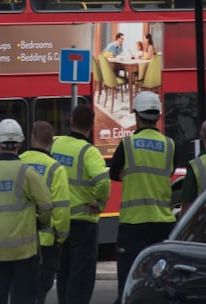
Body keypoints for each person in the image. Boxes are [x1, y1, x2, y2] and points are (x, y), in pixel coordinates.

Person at [108, 91, 176, 304]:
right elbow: (169, 172)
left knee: (129, 280)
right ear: (158, 116)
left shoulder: (128, 145)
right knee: (159, 280)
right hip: (163, 223)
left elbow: (113, 173)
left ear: (137, 116)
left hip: (134, 224)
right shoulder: (169, 145)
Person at [0, 118, 53, 304]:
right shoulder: (27, 173)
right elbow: (46, 206)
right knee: (23, 298)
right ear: (20, 143)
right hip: (24, 253)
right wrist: (41, 223)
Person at [49, 105, 111, 304]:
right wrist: (99, 202)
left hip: (59, 220)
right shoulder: (88, 151)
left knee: (63, 271)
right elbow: (102, 181)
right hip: (83, 222)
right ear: (91, 126)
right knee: (81, 276)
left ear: (71, 121)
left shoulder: (55, 145)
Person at [19, 121, 71, 304]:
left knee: (22, 289)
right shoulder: (55, 168)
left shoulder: (18, 162)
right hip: (47, 242)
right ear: (51, 142)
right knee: (41, 289)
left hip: (20, 239)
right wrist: (61, 237)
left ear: (32, 137)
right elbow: (62, 207)